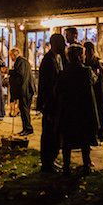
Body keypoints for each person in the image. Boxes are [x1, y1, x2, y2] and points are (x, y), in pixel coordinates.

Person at [56, 44, 100, 175]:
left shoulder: (64, 73)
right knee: (84, 139)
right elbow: (95, 80)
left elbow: (58, 90)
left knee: (68, 140)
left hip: (69, 109)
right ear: (81, 56)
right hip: (84, 109)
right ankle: (86, 165)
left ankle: (66, 166)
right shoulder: (86, 71)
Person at [37, 33, 65, 172]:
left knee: (54, 133)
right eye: (62, 43)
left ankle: (51, 159)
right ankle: (47, 162)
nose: (64, 46)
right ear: (55, 44)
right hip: (50, 102)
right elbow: (47, 85)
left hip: (55, 102)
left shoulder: (57, 58)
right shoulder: (48, 60)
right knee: (48, 132)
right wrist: (46, 104)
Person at [9, 47, 35, 135]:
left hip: (25, 89)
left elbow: (19, 74)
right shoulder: (22, 61)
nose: (10, 58)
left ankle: (28, 128)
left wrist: (9, 72)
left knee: (24, 109)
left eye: (11, 56)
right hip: (26, 89)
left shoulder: (20, 62)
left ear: (14, 55)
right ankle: (25, 128)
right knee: (23, 109)